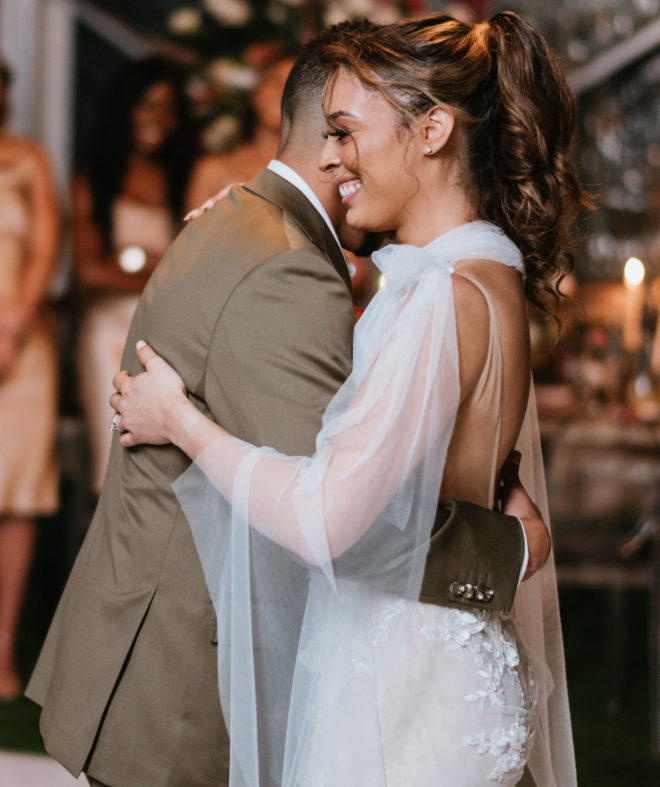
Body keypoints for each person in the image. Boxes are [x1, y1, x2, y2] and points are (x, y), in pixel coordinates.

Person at [27, 22, 546, 787]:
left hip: (378, 678)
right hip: (187, 679)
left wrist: (183, 421)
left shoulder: (264, 235)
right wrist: (518, 541)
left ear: (432, 131)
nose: (340, 156)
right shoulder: (472, 269)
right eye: (332, 133)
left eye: (351, 131)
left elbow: (341, 517)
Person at [74, 57, 196, 494]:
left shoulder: (186, 177)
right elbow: (89, 271)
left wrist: (144, 267)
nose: (157, 118)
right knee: (114, 459)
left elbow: (198, 260)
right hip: (108, 331)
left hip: (167, 330)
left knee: (166, 466)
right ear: (124, 108)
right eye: (146, 105)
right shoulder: (95, 182)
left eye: (168, 108)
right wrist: (162, 270)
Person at [0, 58, 60, 700]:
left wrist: (13, 325)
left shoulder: (29, 159)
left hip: (20, 343)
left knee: (17, 495)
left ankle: (4, 649)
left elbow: (49, 244)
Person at [185, 48, 297, 211]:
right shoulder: (212, 169)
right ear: (256, 91)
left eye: (293, 86)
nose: (282, 92)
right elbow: (191, 234)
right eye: (275, 81)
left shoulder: (320, 174)